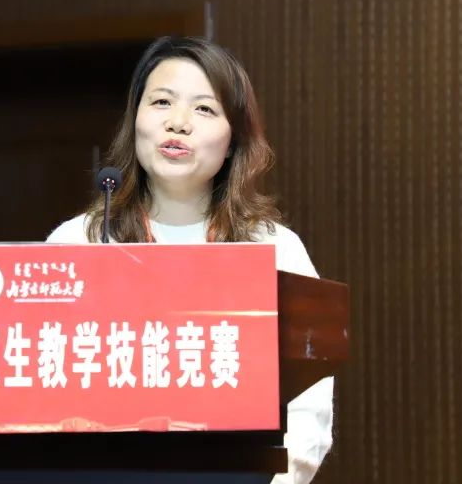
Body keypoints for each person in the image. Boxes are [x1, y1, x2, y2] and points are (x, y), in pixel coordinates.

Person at [46, 35, 334, 484]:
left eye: (204, 109)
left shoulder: (274, 248)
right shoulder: (78, 243)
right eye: (161, 102)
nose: (178, 123)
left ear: (233, 139)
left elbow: (307, 409)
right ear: (135, 120)